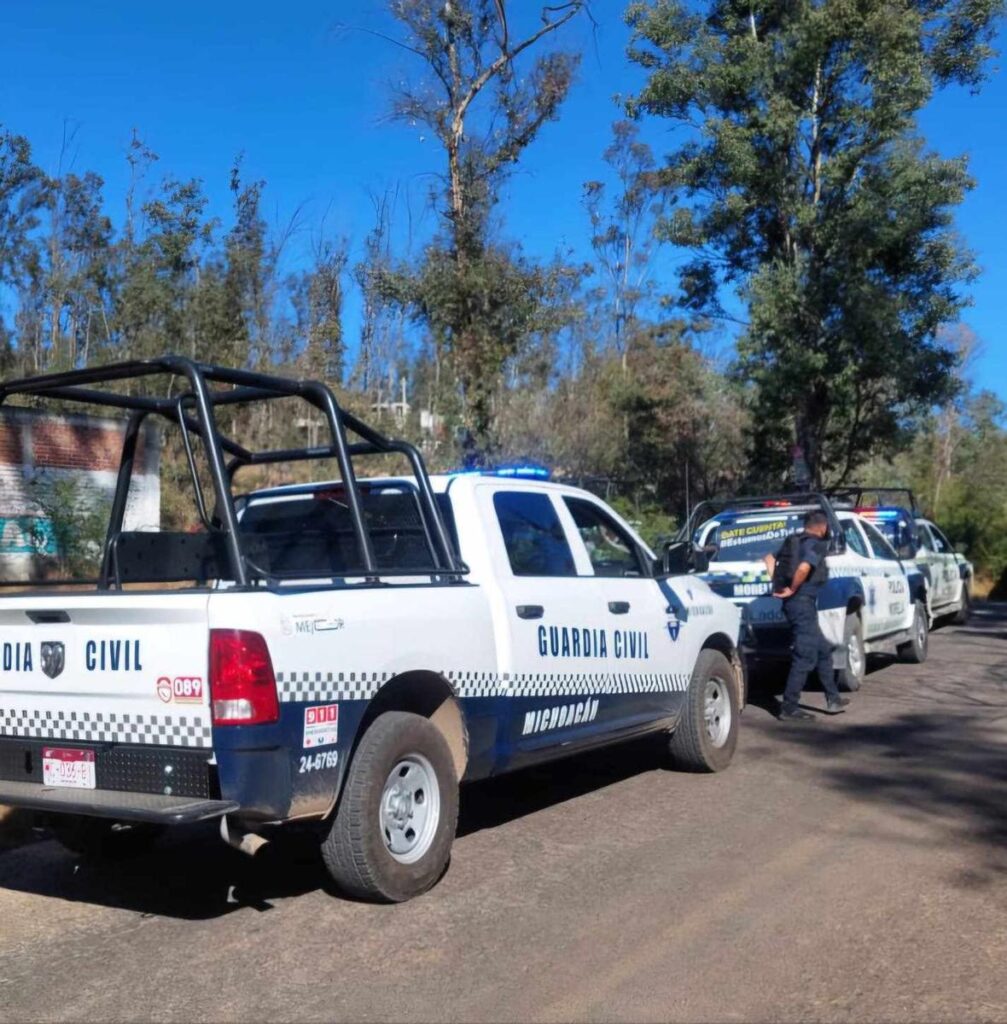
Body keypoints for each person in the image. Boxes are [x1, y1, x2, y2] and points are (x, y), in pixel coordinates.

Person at [763, 510, 850, 721]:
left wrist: (778, 584)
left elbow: (768, 558)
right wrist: (792, 588)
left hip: (797, 605)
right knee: (805, 656)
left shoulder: (793, 541)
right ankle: (789, 707)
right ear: (822, 527)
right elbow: (803, 568)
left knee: (823, 650)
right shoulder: (818, 544)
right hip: (801, 604)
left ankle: (833, 698)